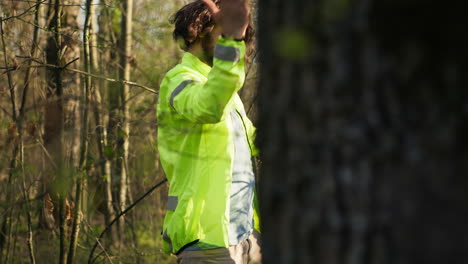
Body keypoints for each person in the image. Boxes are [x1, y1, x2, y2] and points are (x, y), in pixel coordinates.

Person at [156, 0, 261, 263]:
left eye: (239, 36)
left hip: (247, 236)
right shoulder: (179, 79)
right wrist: (233, 37)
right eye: (224, 32)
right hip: (207, 243)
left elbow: (253, 141)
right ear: (199, 29)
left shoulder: (227, 92)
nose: (236, 41)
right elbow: (207, 105)